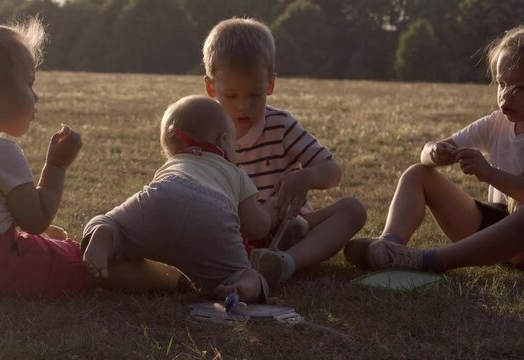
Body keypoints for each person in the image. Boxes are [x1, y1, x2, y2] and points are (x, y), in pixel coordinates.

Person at [0, 0, 183, 299]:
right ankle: (172, 280)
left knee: (56, 241)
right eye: (29, 83)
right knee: (83, 259)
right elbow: (36, 221)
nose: (36, 96)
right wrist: (56, 166)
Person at [202, 18, 367, 289]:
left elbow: (333, 171)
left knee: (353, 210)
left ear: (270, 84)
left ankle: (284, 263)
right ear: (211, 87)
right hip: (235, 234)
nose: (244, 106)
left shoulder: (280, 124)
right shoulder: (205, 131)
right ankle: (247, 263)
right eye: (231, 95)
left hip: (292, 229)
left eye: (255, 93)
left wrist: (306, 178)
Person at [344, 26, 524, 273]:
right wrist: (435, 152)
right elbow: (427, 152)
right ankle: (388, 246)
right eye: (501, 84)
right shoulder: (496, 123)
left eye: (519, 88)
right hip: (494, 227)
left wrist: (488, 172)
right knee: (418, 173)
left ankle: (427, 261)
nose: (506, 96)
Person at [82, 95, 271, 302]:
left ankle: (105, 235)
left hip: (163, 195)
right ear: (224, 141)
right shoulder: (234, 172)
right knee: (248, 274)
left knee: (107, 222)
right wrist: (272, 210)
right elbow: (257, 227)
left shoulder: (175, 164)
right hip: (213, 213)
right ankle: (242, 287)